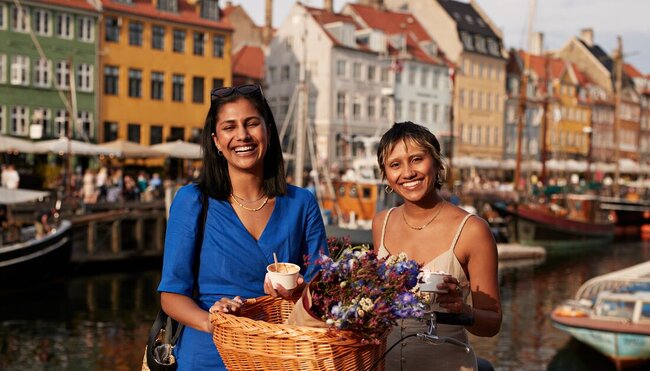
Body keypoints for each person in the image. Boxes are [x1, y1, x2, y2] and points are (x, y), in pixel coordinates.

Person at [158, 84, 328, 370]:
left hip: (280, 354)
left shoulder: (302, 202)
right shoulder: (192, 201)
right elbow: (171, 295)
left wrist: (300, 292)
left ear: (268, 132)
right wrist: (212, 320)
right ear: (216, 140)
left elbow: (324, 286)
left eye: (252, 124)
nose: (242, 136)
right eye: (229, 127)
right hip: (207, 354)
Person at [372, 122, 501, 371]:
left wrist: (463, 310)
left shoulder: (473, 230)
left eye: (417, 159)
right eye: (395, 164)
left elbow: (493, 323)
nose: (408, 173)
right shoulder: (382, 222)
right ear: (385, 174)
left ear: (436, 162)